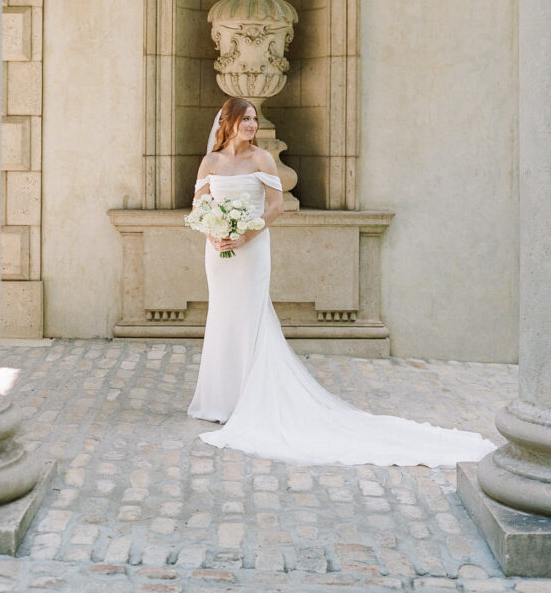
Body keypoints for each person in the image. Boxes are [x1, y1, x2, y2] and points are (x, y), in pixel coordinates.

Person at [187, 96, 495, 467]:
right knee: (222, 316)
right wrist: (214, 234)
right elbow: (199, 207)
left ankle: (252, 400)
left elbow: (276, 207)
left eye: (254, 119)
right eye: (245, 119)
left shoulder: (261, 159)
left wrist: (245, 234)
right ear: (229, 121)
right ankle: (222, 399)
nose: (251, 125)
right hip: (219, 251)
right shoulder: (211, 161)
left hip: (251, 249)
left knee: (250, 317)